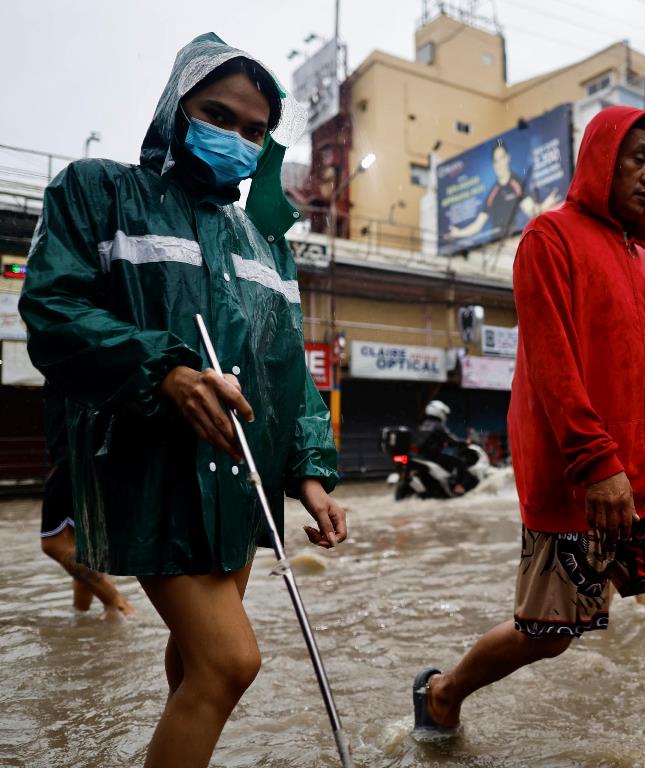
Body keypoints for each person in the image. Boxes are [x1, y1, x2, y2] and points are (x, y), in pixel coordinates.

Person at [19, 34, 345, 768]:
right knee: (230, 663)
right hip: (152, 474)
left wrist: (312, 473)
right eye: (216, 114)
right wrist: (165, 371)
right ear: (177, 108)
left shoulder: (265, 242)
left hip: (243, 485)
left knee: (193, 668)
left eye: (255, 130)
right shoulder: (99, 191)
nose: (236, 138)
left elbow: (286, 366)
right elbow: (52, 308)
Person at [413, 107, 645, 767]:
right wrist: (597, 465)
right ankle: (442, 694)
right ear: (601, 158)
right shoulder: (548, 238)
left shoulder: (643, 263)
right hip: (576, 474)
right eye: (636, 157)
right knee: (550, 635)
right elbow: (553, 369)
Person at [39, 382, 135, 617]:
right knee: (85, 548)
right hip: (93, 462)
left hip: (71, 461)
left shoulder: (67, 353)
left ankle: (120, 606)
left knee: (55, 544)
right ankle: (82, 616)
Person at [447, 139, 561, 240]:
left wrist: (546, 205)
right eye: (496, 161)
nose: (499, 164)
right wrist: (458, 233)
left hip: (515, 241)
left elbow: (531, 211)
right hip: (495, 245)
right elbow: (477, 225)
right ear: (493, 164)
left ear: (507, 158)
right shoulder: (493, 192)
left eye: (501, 158)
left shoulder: (517, 184)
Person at [416, 399, 470, 493]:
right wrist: (464, 442)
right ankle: (458, 487)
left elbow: (439, 440)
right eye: (444, 413)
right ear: (440, 412)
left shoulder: (424, 424)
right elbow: (450, 438)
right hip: (434, 456)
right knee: (460, 462)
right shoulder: (438, 425)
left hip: (422, 456)